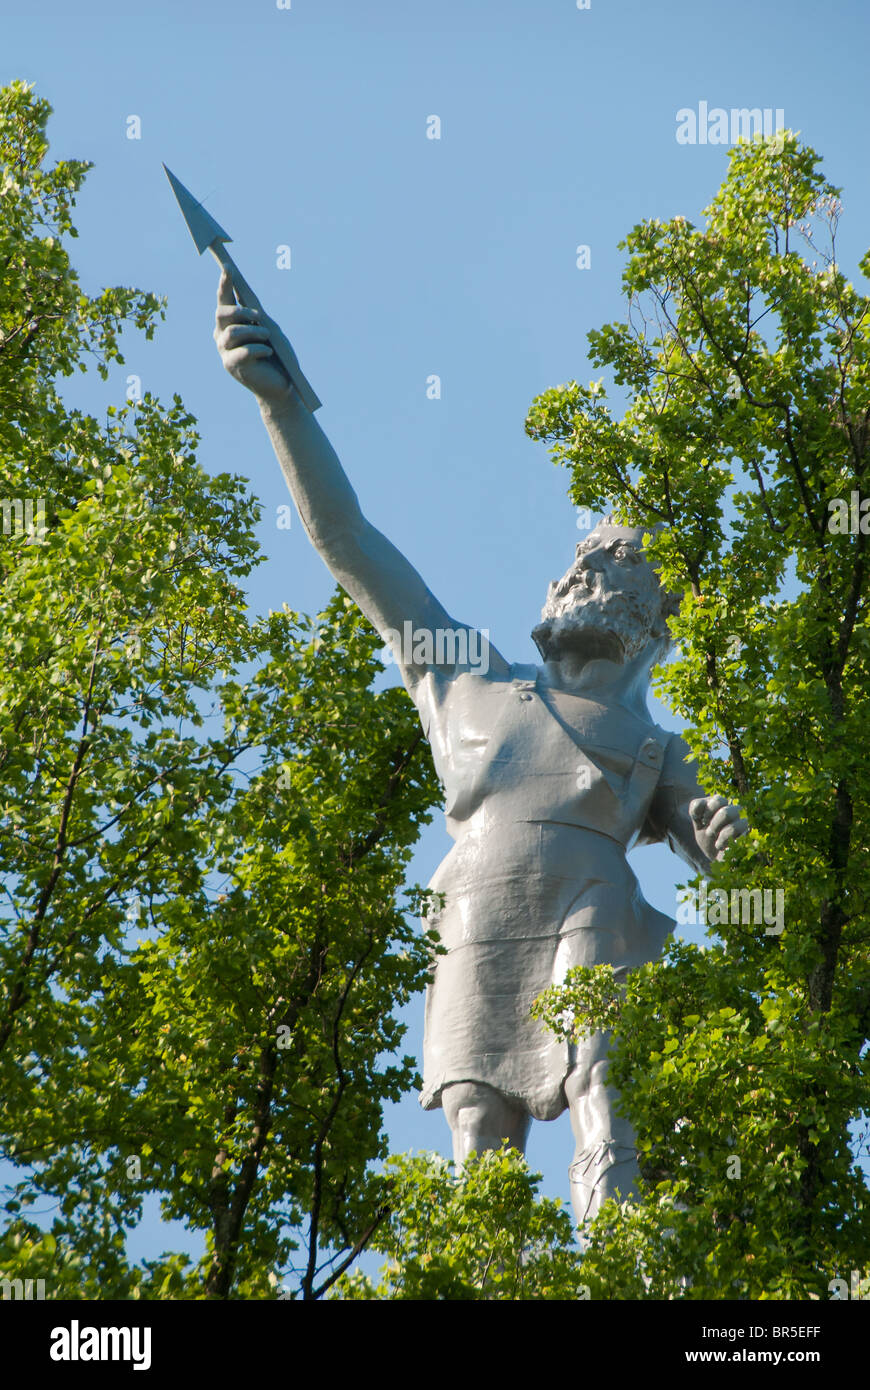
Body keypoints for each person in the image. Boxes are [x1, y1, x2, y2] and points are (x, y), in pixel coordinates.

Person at [213, 269, 748, 1228]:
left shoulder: (654, 748)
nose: (591, 569)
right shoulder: (468, 678)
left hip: (592, 915)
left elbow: (727, 852)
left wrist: (728, 838)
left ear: (659, 622)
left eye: (620, 563)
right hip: (478, 919)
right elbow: (349, 543)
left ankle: (622, 1273)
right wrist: (284, 403)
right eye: (586, 558)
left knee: (604, 1082)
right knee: (478, 1143)